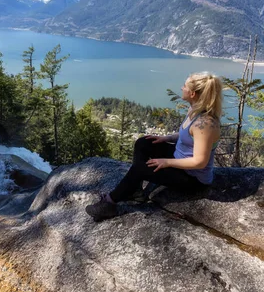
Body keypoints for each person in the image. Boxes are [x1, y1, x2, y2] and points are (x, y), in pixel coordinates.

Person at [86, 72, 222, 222]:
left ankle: (109, 204)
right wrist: (167, 138)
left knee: (140, 168)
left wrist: (166, 162)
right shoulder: (195, 110)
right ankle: (135, 191)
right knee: (143, 142)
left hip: (192, 178)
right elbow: (188, 135)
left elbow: (199, 161)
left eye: (184, 85)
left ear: (192, 93)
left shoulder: (205, 124)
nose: (181, 87)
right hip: (180, 159)